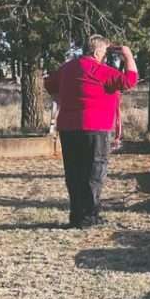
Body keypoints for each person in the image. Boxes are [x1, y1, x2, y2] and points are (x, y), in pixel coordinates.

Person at [45, 35, 138, 228]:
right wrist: (128, 56)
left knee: (74, 172)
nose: (106, 56)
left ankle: (77, 215)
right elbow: (130, 80)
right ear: (97, 52)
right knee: (94, 172)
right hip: (96, 127)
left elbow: (49, 84)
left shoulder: (67, 68)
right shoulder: (101, 71)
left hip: (69, 127)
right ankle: (89, 216)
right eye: (105, 52)